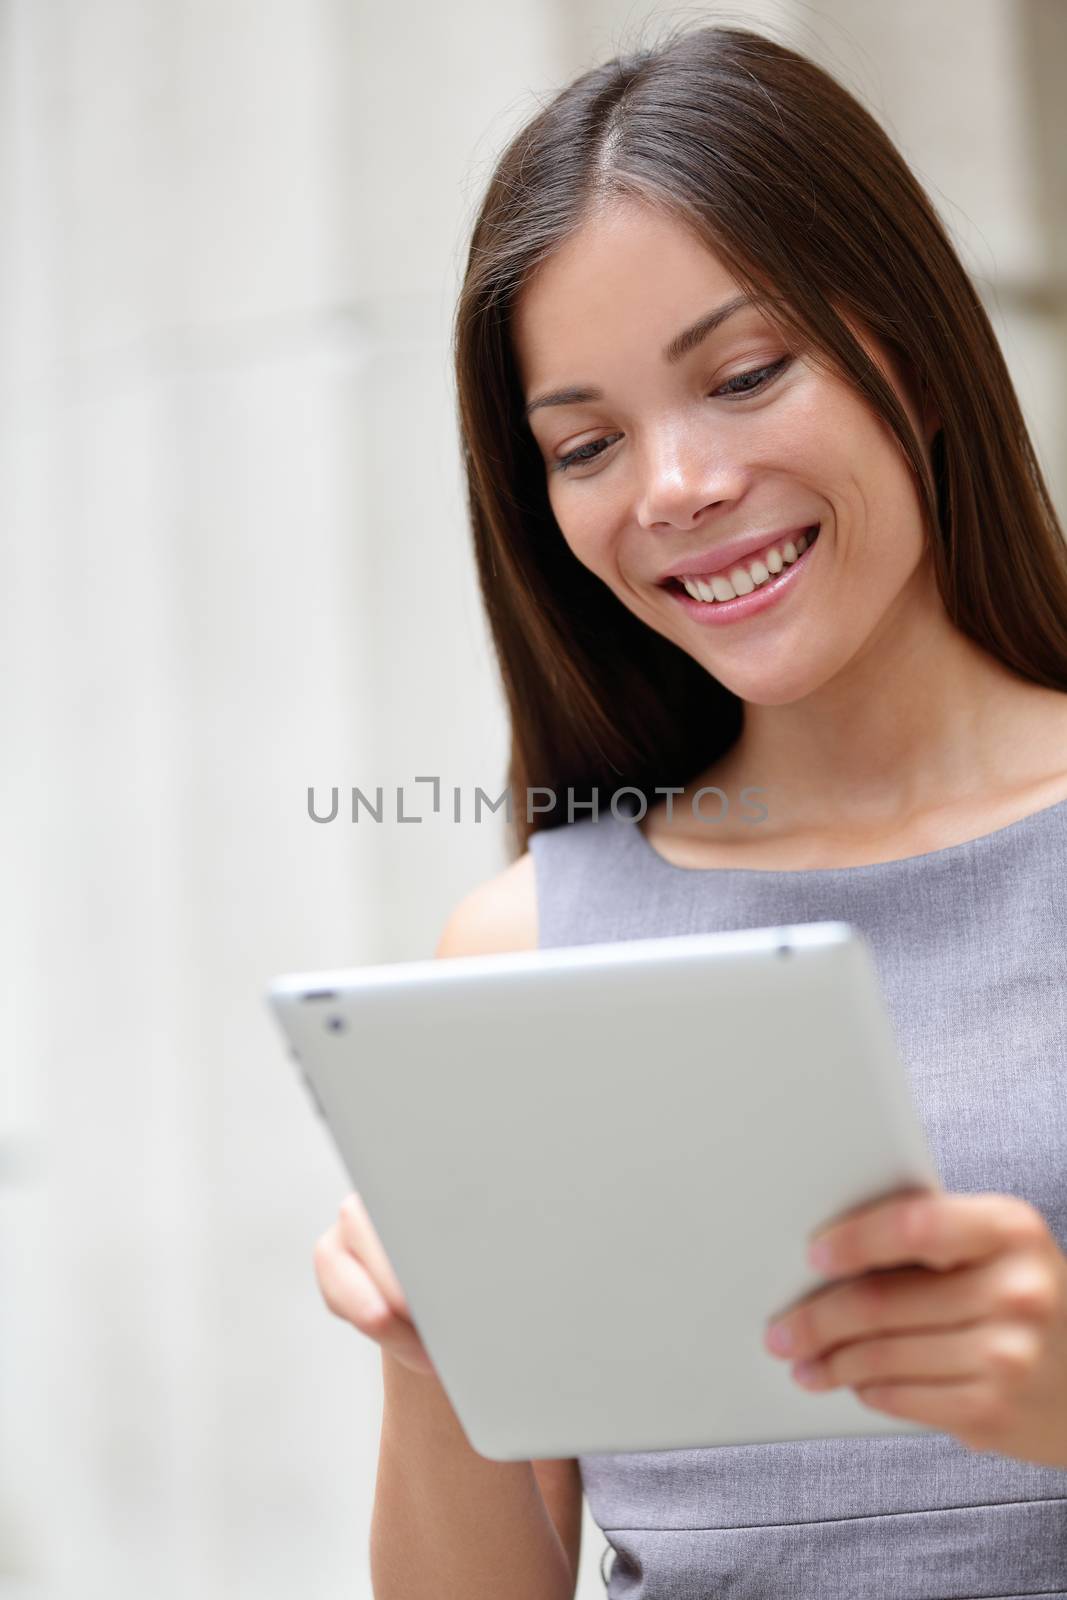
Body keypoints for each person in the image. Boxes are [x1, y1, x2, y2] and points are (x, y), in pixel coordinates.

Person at [312, 21, 1067, 1598]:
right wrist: (432, 1356)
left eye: (742, 375)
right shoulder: (528, 947)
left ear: (914, 355)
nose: (673, 487)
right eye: (585, 444)